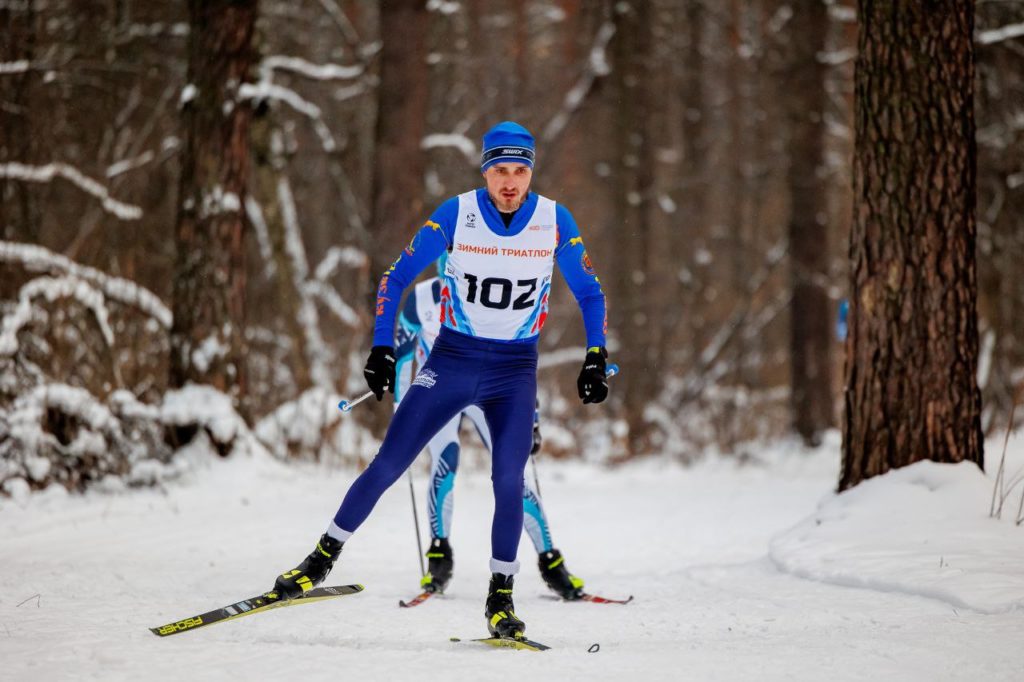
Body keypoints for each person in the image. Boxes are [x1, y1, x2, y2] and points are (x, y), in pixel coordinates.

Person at [272, 121, 609, 640]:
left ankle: (501, 598)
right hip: (451, 361)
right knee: (389, 462)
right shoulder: (457, 214)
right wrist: (382, 347)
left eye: (521, 170)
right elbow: (396, 277)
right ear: (485, 170)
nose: (511, 182)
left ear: (531, 172)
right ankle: (320, 559)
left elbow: (590, 292)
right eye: (500, 170)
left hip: (513, 372)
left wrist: (594, 354)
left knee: (508, 482)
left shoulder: (554, 221)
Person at [394, 255, 585, 601]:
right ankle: (439, 556)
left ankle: (550, 561)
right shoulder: (420, 299)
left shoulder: (490, 295)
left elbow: (520, 361)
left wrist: (533, 417)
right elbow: (402, 358)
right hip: (439, 389)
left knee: (514, 477)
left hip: (490, 393)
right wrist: (400, 410)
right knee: (445, 461)